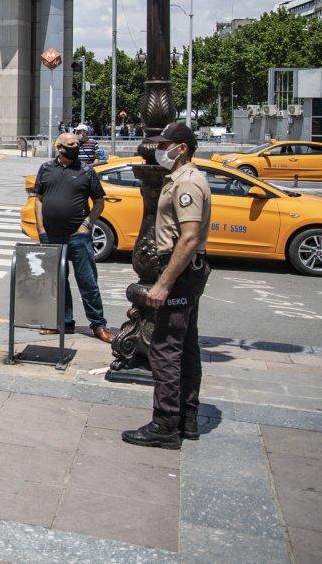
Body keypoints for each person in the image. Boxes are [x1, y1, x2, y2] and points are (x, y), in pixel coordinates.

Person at [123, 122, 212, 450]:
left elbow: (187, 238)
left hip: (179, 271)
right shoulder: (182, 179)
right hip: (189, 272)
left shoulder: (187, 182)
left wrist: (163, 284)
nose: (160, 150)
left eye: (166, 144)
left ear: (182, 148)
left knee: (164, 349)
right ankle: (187, 419)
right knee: (186, 346)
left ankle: (165, 424)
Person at [33, 132, 113, 344]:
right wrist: (41, 229)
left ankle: (98, 325)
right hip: (51, 235)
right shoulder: (46, 169)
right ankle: (63, 322)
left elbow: (99, 202)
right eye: (71, 144)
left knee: (87, 281)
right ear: (59, 147)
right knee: (57, 282)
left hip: (78, 237)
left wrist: (87, 224)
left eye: (78, 143)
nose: (76, 146)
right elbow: (39, 200)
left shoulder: (86, 171)